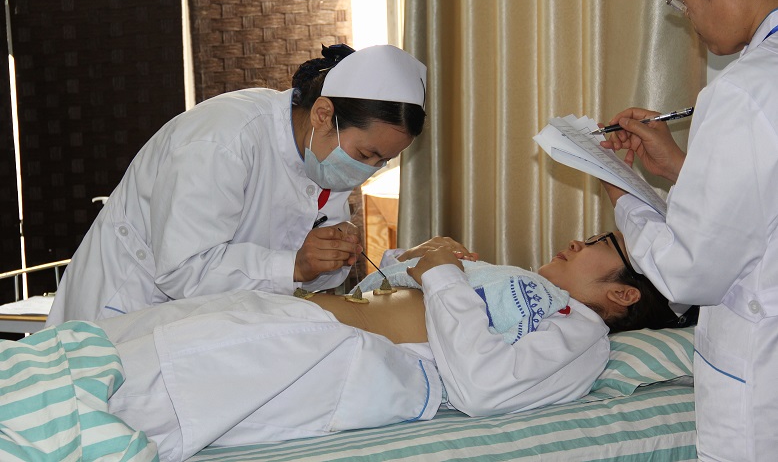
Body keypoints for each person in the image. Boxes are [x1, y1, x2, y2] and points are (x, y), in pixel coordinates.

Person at [68, 230, 676, 461]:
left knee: (151, 385)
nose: (578, 241)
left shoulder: (581, 334)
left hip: (325, 354)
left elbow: (484, 388)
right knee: (133, 343)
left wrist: (443, 275)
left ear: (624, 294)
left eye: (601, 242)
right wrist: (424, 260)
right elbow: (407, 284)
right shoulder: (527, 285)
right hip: (301, 317)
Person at [46, 43, 427, 326]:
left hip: (207, 320)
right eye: (366, 154)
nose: (368, 170)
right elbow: (183, 270)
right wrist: (295, 264)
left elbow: (301, 271)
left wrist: (329, 256)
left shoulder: (324, 157)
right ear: (323, 114)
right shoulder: (223, 140)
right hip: (127, 308)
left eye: (382, 161)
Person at [598, 0, 778, 460]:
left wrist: (624, 194)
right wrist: (682, 168)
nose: (687, 10)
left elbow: (688, 272)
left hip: (758, 395)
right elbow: (761, 204)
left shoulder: (743, 90)